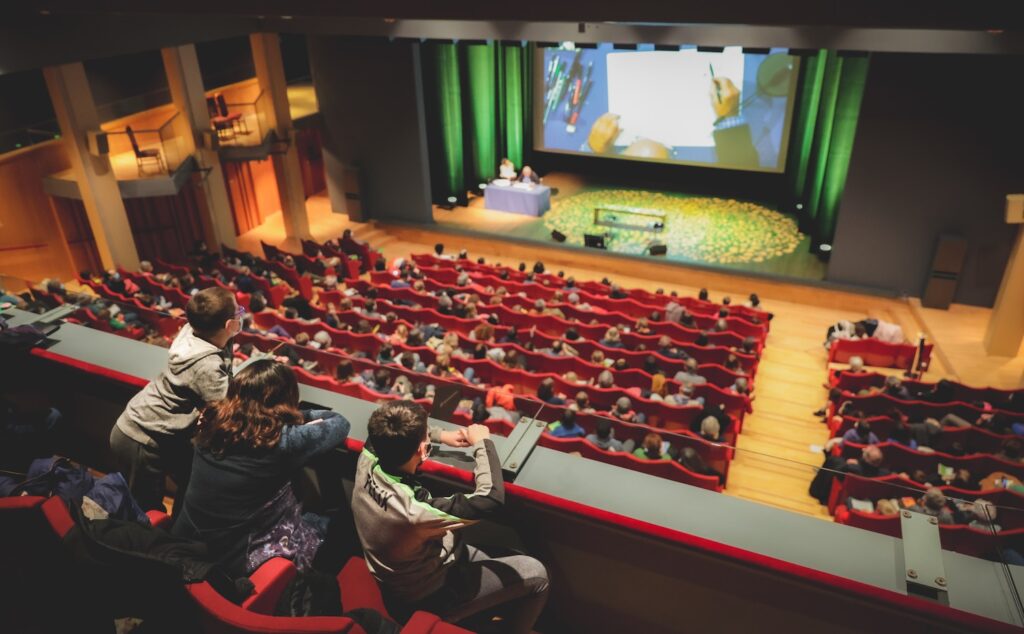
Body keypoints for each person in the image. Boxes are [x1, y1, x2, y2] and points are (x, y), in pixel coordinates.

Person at [352, 401, 549, 632]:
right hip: (428, 596)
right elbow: (489, 499)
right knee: (538, 574)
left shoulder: (368, 456)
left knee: (514, 555)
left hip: (407, 574)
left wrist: (441, 435)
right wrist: (482, 443)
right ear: (421, 449)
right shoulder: (414, 510)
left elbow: (384, 432)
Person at [171, 361, 350, 576]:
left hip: (186, 541)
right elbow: (340, 422)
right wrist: (295, 414)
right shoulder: (280, 440)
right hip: (233, 559)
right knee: (337, 525)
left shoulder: (212, 420)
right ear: (285, 400)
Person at [110, 287, 240, 512]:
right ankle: (156, 545)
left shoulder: (192, 331)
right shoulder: (206, 366)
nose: (241, 316)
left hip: (154, 429)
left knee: (194, 482)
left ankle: (177, 534)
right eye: (239, 312)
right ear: (229, 325)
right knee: (146, 509)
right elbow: (229, 407)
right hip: (140, 437)